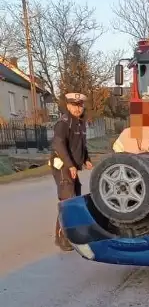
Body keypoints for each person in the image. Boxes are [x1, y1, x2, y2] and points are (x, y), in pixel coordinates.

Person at [50, 92, 93, 251]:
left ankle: (67, 235)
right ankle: (63, 239)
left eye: (80, 105)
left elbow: (81, 144)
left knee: (72, 200)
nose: (77, 108)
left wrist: (86, 158)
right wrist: (70, 165)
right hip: (62, 166)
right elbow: (58, 145)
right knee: (68, 201)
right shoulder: (64, 123)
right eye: (74, 105)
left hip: (72, 166)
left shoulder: (80, 122)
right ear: (68, 105)